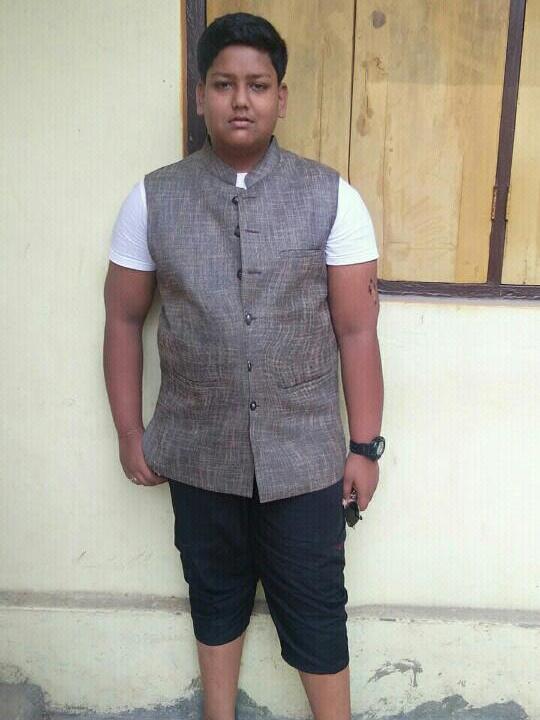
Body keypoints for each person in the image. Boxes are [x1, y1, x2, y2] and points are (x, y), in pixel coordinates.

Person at [103, 12, 384, 720]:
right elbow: (123, 319)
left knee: (315, 601)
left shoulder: (332, 196)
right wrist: (131, 433)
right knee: (214, 591)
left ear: (280, 98)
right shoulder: (153, 197)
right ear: (200, 94)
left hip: (305, 455)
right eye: (224, 84)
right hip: (197, 448)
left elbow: (357, 331)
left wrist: (365, 447)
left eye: (257, 85)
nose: (240, 100)